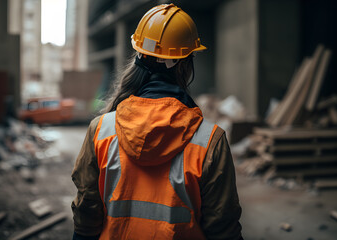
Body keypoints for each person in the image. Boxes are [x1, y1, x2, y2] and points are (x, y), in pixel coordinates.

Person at [71, 3, 243, 240]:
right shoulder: (210, 141)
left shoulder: (100, 130)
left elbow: (86, 216)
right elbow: (223, 229)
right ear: (184, 64)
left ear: (139, 56)